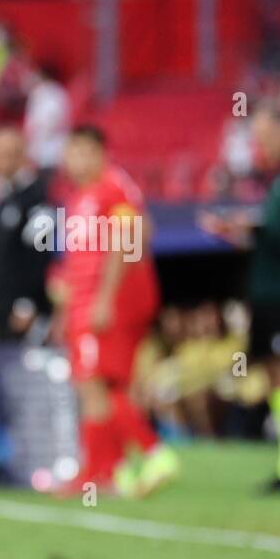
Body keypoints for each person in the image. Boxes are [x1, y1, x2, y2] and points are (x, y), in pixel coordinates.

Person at [50, 125, 179, 497]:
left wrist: (107, 298)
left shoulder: (114, 187)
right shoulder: (81, 197)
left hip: (107, 301)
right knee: (96, 382)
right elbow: (79, 259)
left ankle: (153, 453)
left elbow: (133, 238)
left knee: (97, 382)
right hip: (86, 302)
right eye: (71, 152)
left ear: (100, 153)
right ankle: (103, 470)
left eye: (83, 152)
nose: (75, 160)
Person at [200, 101, 280, 492]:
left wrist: (251, 228)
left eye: (267, 139)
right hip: (270, 293)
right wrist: (242, 231)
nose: (261, 148)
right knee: (273, 373)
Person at [0, 125, 53, 343]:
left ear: (21, 156)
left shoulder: (38, 197)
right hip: (3, 307)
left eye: (4, 155)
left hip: (26, 312)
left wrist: (26, 304)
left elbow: (39, 255)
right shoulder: (5, 196)